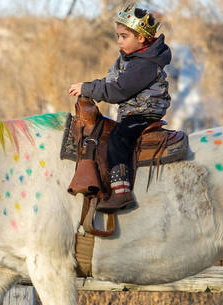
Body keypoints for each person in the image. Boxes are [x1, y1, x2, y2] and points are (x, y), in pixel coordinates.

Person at [68, 3, 171, 212]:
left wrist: (88, 89)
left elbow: (118, 91)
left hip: (144, 112)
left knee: (118, 139)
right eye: (118, 36)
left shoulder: (145, 64)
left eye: (124, 36)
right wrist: (91, 88)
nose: (119, 41)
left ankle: (121, 191)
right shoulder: (128, 59)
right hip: (134, 112)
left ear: (141, 38)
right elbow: (110, 81)